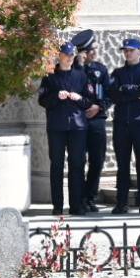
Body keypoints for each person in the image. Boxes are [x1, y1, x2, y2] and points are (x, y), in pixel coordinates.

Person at [38, 42, 92, 217]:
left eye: (71, 55)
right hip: (57, 127)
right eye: (66, 55)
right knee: (57, 166)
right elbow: (42, 100)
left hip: (78, 127)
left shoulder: (81, 76)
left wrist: (78, 98)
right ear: (59, 56)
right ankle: (58, 206)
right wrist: (56, 96)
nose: (69, 58)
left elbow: (89, 101)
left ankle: (76, 205)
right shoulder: (49, 76)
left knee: (77, 165)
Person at [108, 38, 140, 215]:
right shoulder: (117, 73)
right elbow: (113, 94)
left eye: (131, 50)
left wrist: (125, 89)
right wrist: (133, 92)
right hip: (121, 123)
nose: (127, 53)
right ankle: (121, 203)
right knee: (122, 165)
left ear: (139, 51)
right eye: (125, 50)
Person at [75, 31, 110, 216]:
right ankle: (79, 198)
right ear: (83, 53)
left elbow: (109, 94)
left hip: (97, 120)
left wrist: (99, 107)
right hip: (79, 122)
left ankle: (90, 196)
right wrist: (79, 66)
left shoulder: (101, 70)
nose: (95, 53)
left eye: (95, 49)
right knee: (78, 161)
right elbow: (74, 87)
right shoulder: (74, 69)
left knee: (97, 160)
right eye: (91, 50)